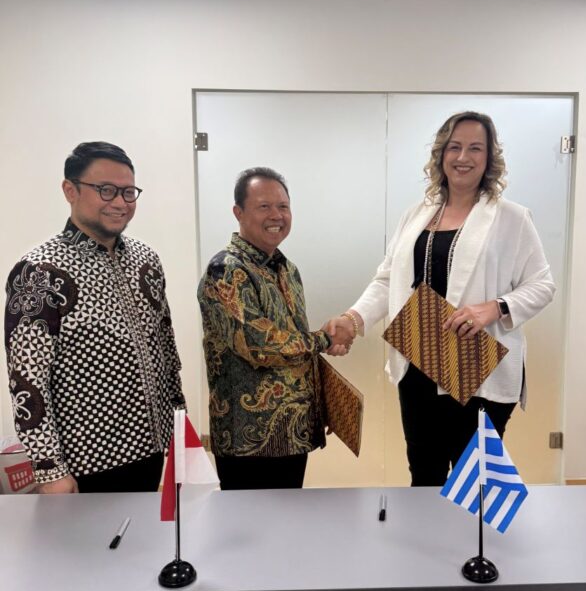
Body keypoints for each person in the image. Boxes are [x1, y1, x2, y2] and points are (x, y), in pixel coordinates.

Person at [328, 111, 555, 486]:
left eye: (475, 148)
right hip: (417, 364)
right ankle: (427, 528)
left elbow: (542, 285)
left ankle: (472, 529)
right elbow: (388, 280)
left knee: (475, 482)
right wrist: (354, 319)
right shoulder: (415, 216)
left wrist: (494, 308)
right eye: (454, 147)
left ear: (489, 158)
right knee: (424, 474)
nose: (463, 157)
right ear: (441, 154)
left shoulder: (512, 218)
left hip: (476, 367)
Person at [4, 142, 185, 493]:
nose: (120, 202)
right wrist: (49, 469)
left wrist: (178, 425)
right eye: (105, 190)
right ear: (69, 190)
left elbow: (166, 348)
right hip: (87, 462)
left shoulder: (146, 260)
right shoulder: (39, 272)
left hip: (152, 447)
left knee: (147, 528)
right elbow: (27, 380)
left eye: (128, 192)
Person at [197, 167, 352, 490]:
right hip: (249, 441)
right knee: (249, 522)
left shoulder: (286, 269)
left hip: (293, 435)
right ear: (238, 213)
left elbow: (293, 345)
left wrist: (322, 405)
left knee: (290, 519)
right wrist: (324, 338)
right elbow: (260, 345)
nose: (276, 216)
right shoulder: (226, 269)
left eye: (283, 206)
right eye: (263, 206)